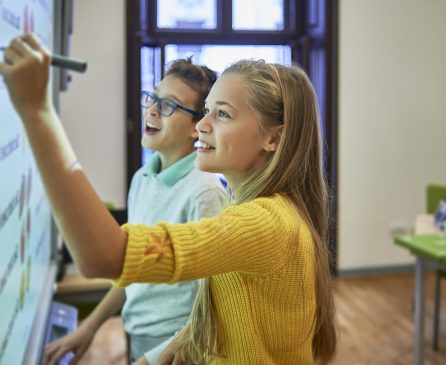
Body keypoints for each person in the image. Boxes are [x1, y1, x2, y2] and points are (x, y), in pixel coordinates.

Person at [0, 34, 337, 365]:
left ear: (273, 138)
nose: (202, 125)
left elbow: (103, 256)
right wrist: (186, 337)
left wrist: (36, 110)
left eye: (223, 114)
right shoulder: (256, 211)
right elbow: (234, 307)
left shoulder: (263, 222)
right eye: (206, 111)